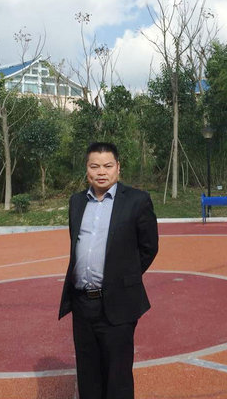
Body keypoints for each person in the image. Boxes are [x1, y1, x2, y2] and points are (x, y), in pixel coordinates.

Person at [58, 142, 159, 399]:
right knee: (88, 375)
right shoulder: (77, 201)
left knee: (118, 377)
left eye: (107, 166)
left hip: (118, 303)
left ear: (118, 168)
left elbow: (149, 248)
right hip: (82, 304)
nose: (101, 172)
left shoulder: (137, 200)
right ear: (87, 169)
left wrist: (123, 278)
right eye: (95, 166)